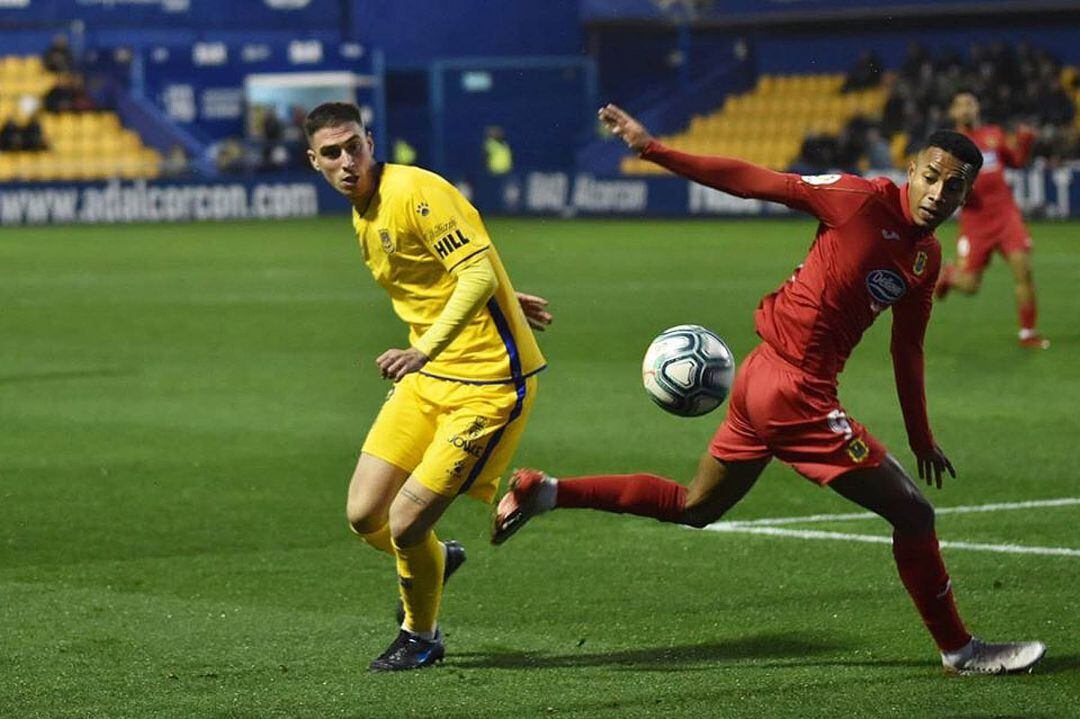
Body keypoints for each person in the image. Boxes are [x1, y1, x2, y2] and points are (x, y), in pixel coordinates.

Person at [493, 103, 1046, 676]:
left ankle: (548, 491)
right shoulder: (857, 198)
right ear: (911, 169)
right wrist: (654, 149)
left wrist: (922, 437)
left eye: (952, 187)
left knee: (696, 505)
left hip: (764, 381)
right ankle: (960, 649)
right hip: (792, 391)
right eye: (930, 177)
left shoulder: (926, 259)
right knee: (913, 515)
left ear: (964, 197)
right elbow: (757, 181)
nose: (937, 193)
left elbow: (907, 348)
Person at [304, 102, 552, 671]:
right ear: (313, 161)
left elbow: (477, 272)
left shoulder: (415, 192)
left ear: (371, 140)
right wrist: (506, 302)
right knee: (366, 515)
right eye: (332, 154)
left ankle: (422, 636)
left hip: (487, 384)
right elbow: (451, 273)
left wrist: (425, 347)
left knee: (407, 521)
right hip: (429, 380)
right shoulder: (362, 211)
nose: (347, 162)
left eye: (354, 146)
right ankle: (435, 562)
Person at [934, 91, 1048, 349]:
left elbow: (1016, 161)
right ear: (953, 113)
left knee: (1024, 271)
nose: (966, 109)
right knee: (970, 285)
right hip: (975, 222)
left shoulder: (993, 135)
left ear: (978, 109)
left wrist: (1025, 142)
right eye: (961, 105)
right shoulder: (950, 146)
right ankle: (949, 276)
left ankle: (1027, 333)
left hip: (1006, 215)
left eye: (970, 104)